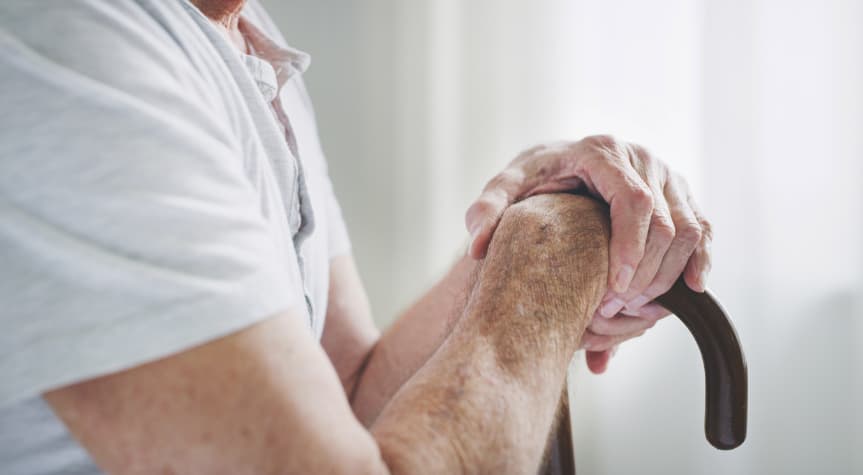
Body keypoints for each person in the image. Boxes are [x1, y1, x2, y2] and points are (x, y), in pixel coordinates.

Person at [0, 1, 712, 473]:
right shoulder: (74, 45)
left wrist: (547, 203)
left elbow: (344, 399)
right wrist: (545, 264)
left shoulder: (239, 36)